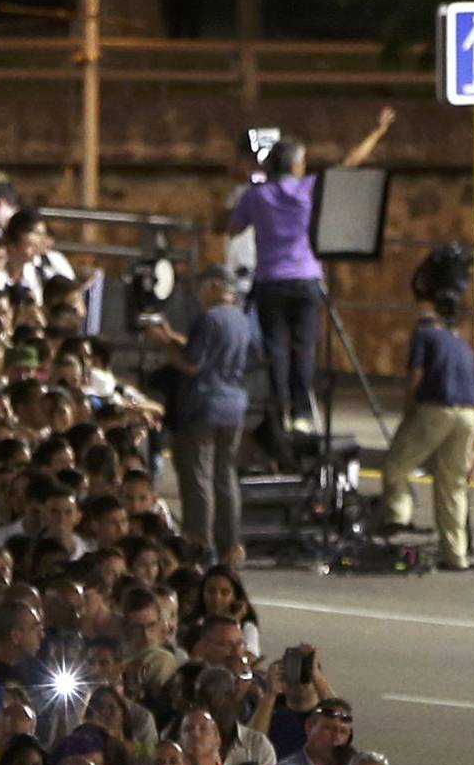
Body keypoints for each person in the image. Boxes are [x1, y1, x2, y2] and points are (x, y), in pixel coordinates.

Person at [227, 105, 395, 455]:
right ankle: (303, 412)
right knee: (304, 348)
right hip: (306, 279)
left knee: (275, 349)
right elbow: (350, 163)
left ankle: (280, 409)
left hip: (270, 281)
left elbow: (231, 227)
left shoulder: (257, 195)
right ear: (297, 165)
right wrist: (376, 132)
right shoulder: (309, 189)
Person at [152, 268, 257, 562]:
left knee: (198, 473)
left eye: (201, 288)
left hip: (204, 404)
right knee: (225, 474)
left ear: (213, 286)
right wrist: (173, 336)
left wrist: (164, 346)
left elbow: (192, 364)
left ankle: (199, 540)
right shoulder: (241, 319)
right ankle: (230, 543)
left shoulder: (209, 319)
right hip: (234, 405)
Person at [380, 285, 474, 571]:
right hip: (468, 416)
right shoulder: (464, 347)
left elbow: (416, 376)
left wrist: (408, 413)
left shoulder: (423, 335)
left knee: (396, 465)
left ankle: (398, 514)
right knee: (453, 486)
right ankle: (456, 554)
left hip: (437, 407)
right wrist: (472, 451)